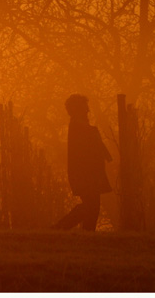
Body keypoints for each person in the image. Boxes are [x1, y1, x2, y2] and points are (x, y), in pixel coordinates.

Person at [52, 94, 112, 231]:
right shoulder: (78, 127)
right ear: (78, 109)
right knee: (91, 206)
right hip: (85, 175)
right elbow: (87, 149)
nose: (88, 110)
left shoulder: (80, 126)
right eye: (85, 107)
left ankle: (86, 233)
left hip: (90, 174)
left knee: (93, 207)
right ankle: (60, 228)